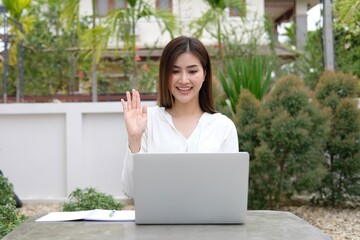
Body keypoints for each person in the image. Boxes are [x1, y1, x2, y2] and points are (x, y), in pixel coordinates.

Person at [121, 36, 238, 198]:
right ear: (165, 74)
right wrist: (134, 138)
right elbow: (131, 191)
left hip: (208, 222)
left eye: (192, 71)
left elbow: (230, 192)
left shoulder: (223, 127)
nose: (183, 80)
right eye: (175, 71)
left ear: (204, 74)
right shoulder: (148, 121)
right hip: (158, 221)